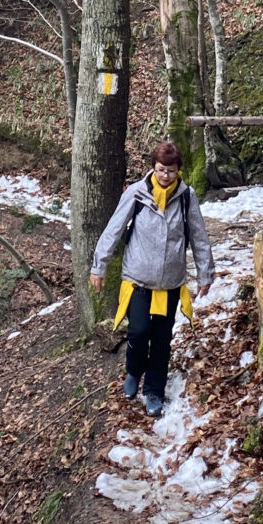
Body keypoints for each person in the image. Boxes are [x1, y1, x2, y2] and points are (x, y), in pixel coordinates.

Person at [90, 141, 214, 418]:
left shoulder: (186, 197)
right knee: (138, 332)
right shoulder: (136, 193)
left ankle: (154, 391)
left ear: (178, 170)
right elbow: (113, 229)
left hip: (170, 283)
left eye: (170, 170)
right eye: (160, 170)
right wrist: (99, 266)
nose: (165, 175)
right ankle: (134, 371)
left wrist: (205, 274)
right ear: (153, 168)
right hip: (138, 279)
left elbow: (199, 236)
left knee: (161, 339)